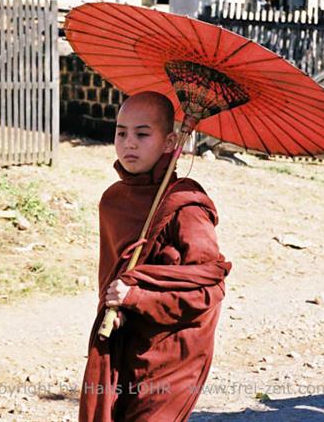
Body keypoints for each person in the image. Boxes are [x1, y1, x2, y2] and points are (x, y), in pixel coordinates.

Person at [79, 91, 232, 422]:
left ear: (170, 141)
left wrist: (137, 295)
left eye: (142, 133)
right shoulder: (113, 202)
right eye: (121, 132)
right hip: (126, 343)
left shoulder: (186, 204)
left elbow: (208, 288)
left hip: (174, 353)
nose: (128, 143)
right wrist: (116, 309)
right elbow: (113, 277)